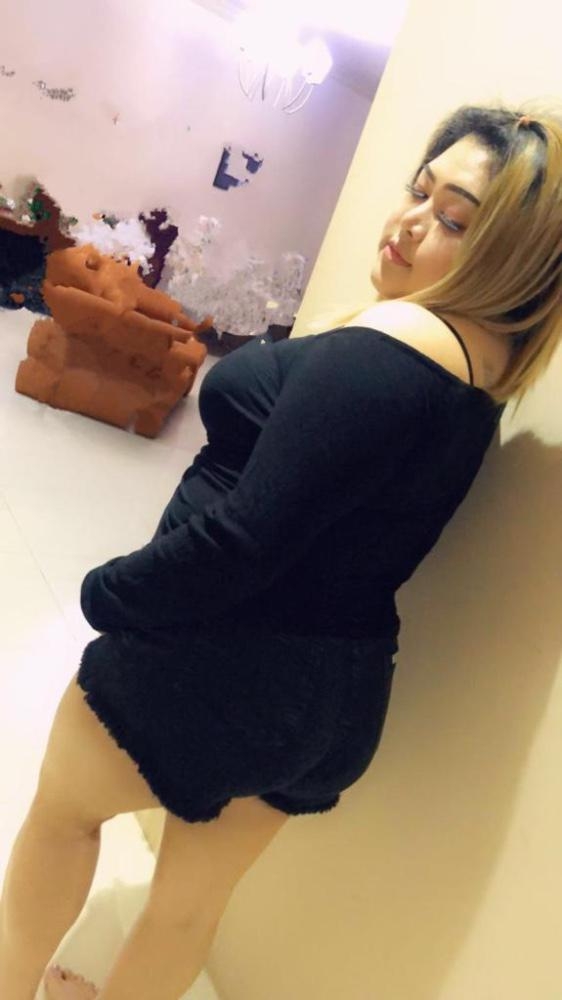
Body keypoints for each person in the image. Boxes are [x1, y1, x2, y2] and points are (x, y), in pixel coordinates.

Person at [1, 103, 561, 1000]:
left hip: (222, 658)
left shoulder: (396, 344)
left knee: (62, 817)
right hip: (334, 700)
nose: (410, 221)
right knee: (187, 911)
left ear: (514, 260)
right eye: (419, 191)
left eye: (455, 220)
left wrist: (108, 594)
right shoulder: (485, 371)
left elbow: (242, 540)